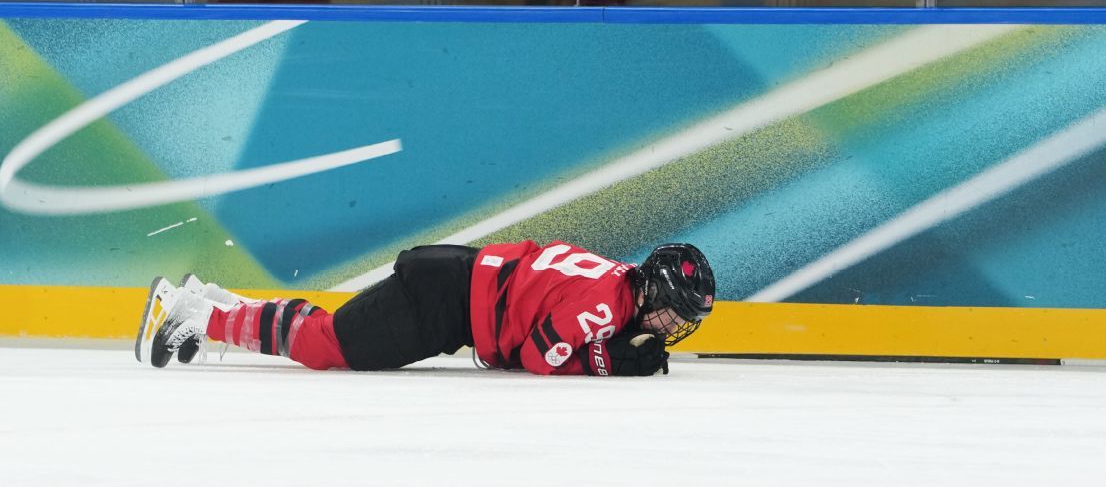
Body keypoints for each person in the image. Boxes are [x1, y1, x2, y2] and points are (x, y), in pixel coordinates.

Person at [136, 241, 715, 377]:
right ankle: (189, 314)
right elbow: (540, 356)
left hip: (455, 284)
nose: (672, 324)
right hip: (447, 303)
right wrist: (608, 361)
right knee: (323, 347)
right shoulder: (606, 305)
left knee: (326, 334)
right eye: (672, 311)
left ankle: (214, 300)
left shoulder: (615, 276)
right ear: (652, 293)